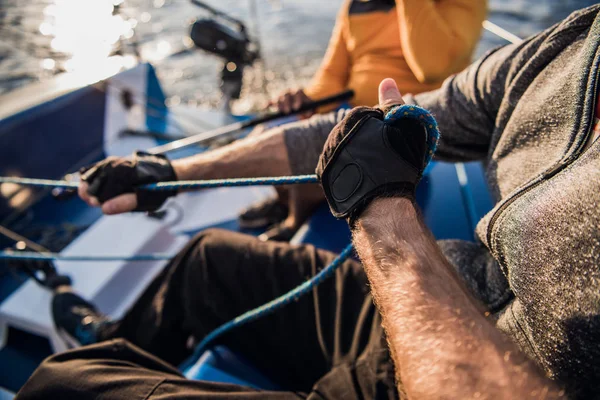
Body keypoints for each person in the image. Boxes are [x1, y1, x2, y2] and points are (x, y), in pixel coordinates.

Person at [16, 4, 600, 399]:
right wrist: (166, 170)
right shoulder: (561, 52)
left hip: (449, 373)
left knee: (61, 383)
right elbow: (323, 116)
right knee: (205, 260)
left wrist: (382, 209)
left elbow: (427, 65)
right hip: (441, 288)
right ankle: (115, 340)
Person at [239, 0, 487, 240]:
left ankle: (295, 218)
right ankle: (287, 201)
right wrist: (306, 98)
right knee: (267, 132)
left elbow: (432, 67)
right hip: (355, 111)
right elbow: (332, 76)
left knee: (320, 156)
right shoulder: (355, 5)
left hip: (411, 123)